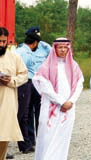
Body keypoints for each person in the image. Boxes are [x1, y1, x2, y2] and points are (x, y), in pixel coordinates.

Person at [33, 38, 84, 160]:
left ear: (68, 48)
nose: (62, 50)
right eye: (59, 47)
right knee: (47, 138)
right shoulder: (46, 66)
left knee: (63, 138)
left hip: (68, 109)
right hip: (51, 108)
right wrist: (61, 101)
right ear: (54, 48)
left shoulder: (74, 66)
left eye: (65, 47)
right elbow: (45, 87)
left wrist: (71, 101)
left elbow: (79, 83)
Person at [0, 27, 28, 160]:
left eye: (4, 41)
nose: (1, 44)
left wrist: (11, 80)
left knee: (4, 135)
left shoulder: (14, 57)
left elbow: (24, 75)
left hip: (7, 103)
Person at [23, 27, 51, 146]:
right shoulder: (23, 49)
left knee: (41, 112)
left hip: (41, 83)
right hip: (28, 82)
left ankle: (41, 138)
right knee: (28, 112)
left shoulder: (46, 48)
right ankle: (30, 139)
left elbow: (52, 62)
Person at [16, 32, 42, 154]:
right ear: (35, 43)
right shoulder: (25, 53)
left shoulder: (20, 50)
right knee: (21, 115)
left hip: (26, 84)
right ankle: (23, 143)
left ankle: (25, 144)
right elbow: (21, 71)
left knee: (24, 114)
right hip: (24, 84)